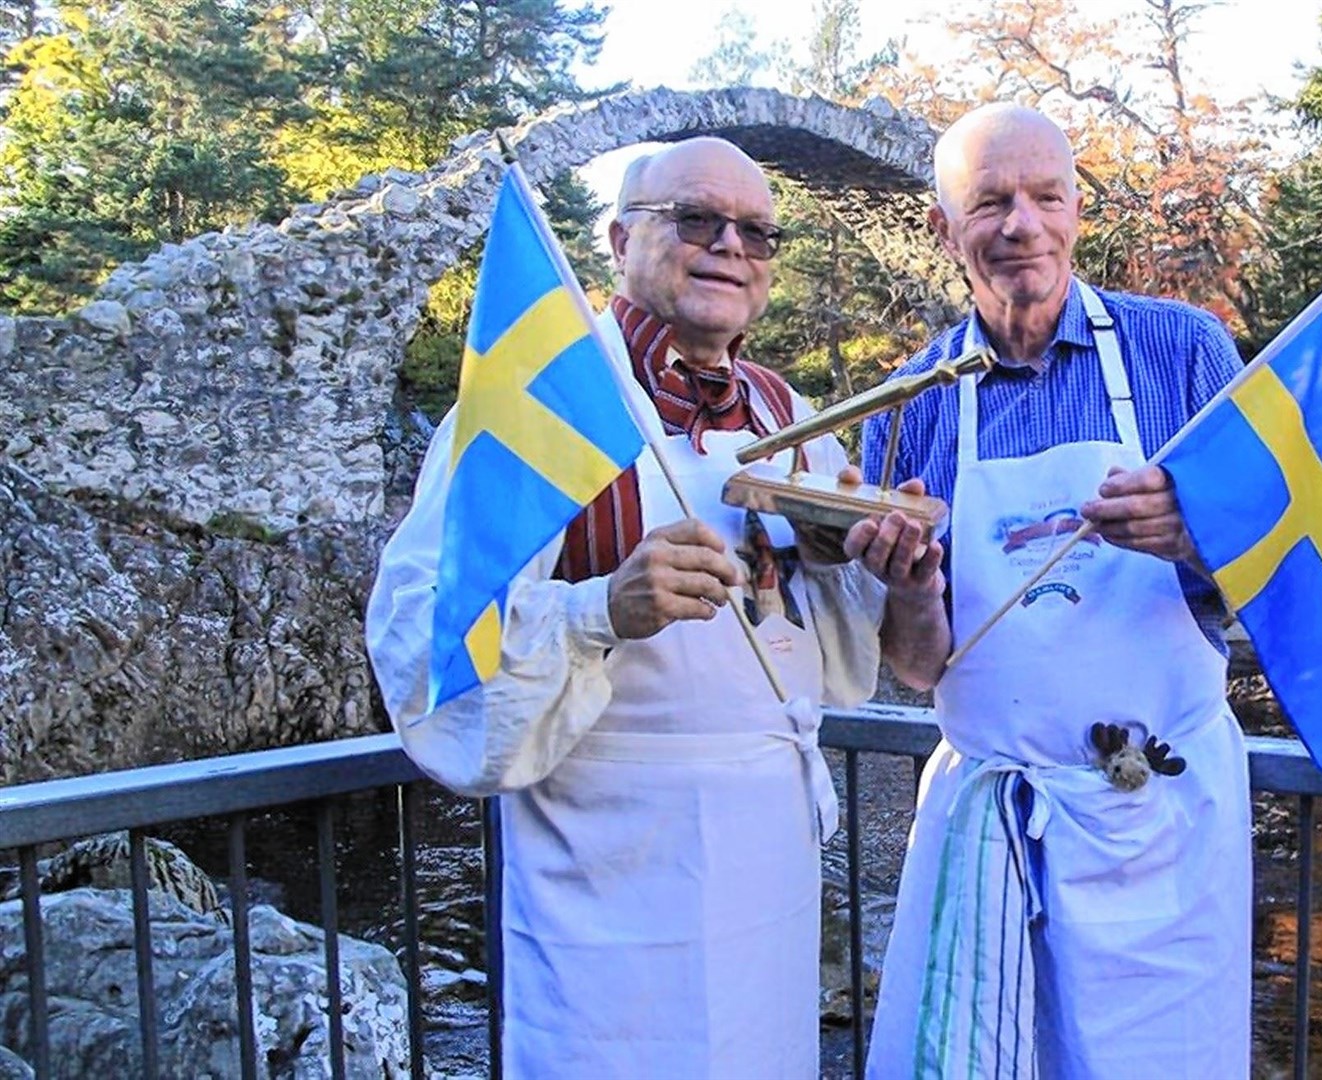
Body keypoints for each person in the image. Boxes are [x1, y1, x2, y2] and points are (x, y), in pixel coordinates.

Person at [368, 137, 909, 1078]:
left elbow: (829, 666)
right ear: (619, 239)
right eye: (696, 219)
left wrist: (851, 559)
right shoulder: (542, 404)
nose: (729, 245)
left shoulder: (794, 418)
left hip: (767, 865)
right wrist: (601, 611)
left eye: (756, 232)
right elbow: (420, 638)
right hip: (605, 869)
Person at [849, 103, 1253, 1078]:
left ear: (1078, 211)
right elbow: (916, 668)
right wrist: (909, 590)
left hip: (1158, 815)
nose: (1020, 224)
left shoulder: (1186, 355)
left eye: (1045, 197)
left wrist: (1195, 543)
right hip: (988, 816)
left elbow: (1278, 583)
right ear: (947, 229)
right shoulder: (907, 409)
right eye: (990, 201)